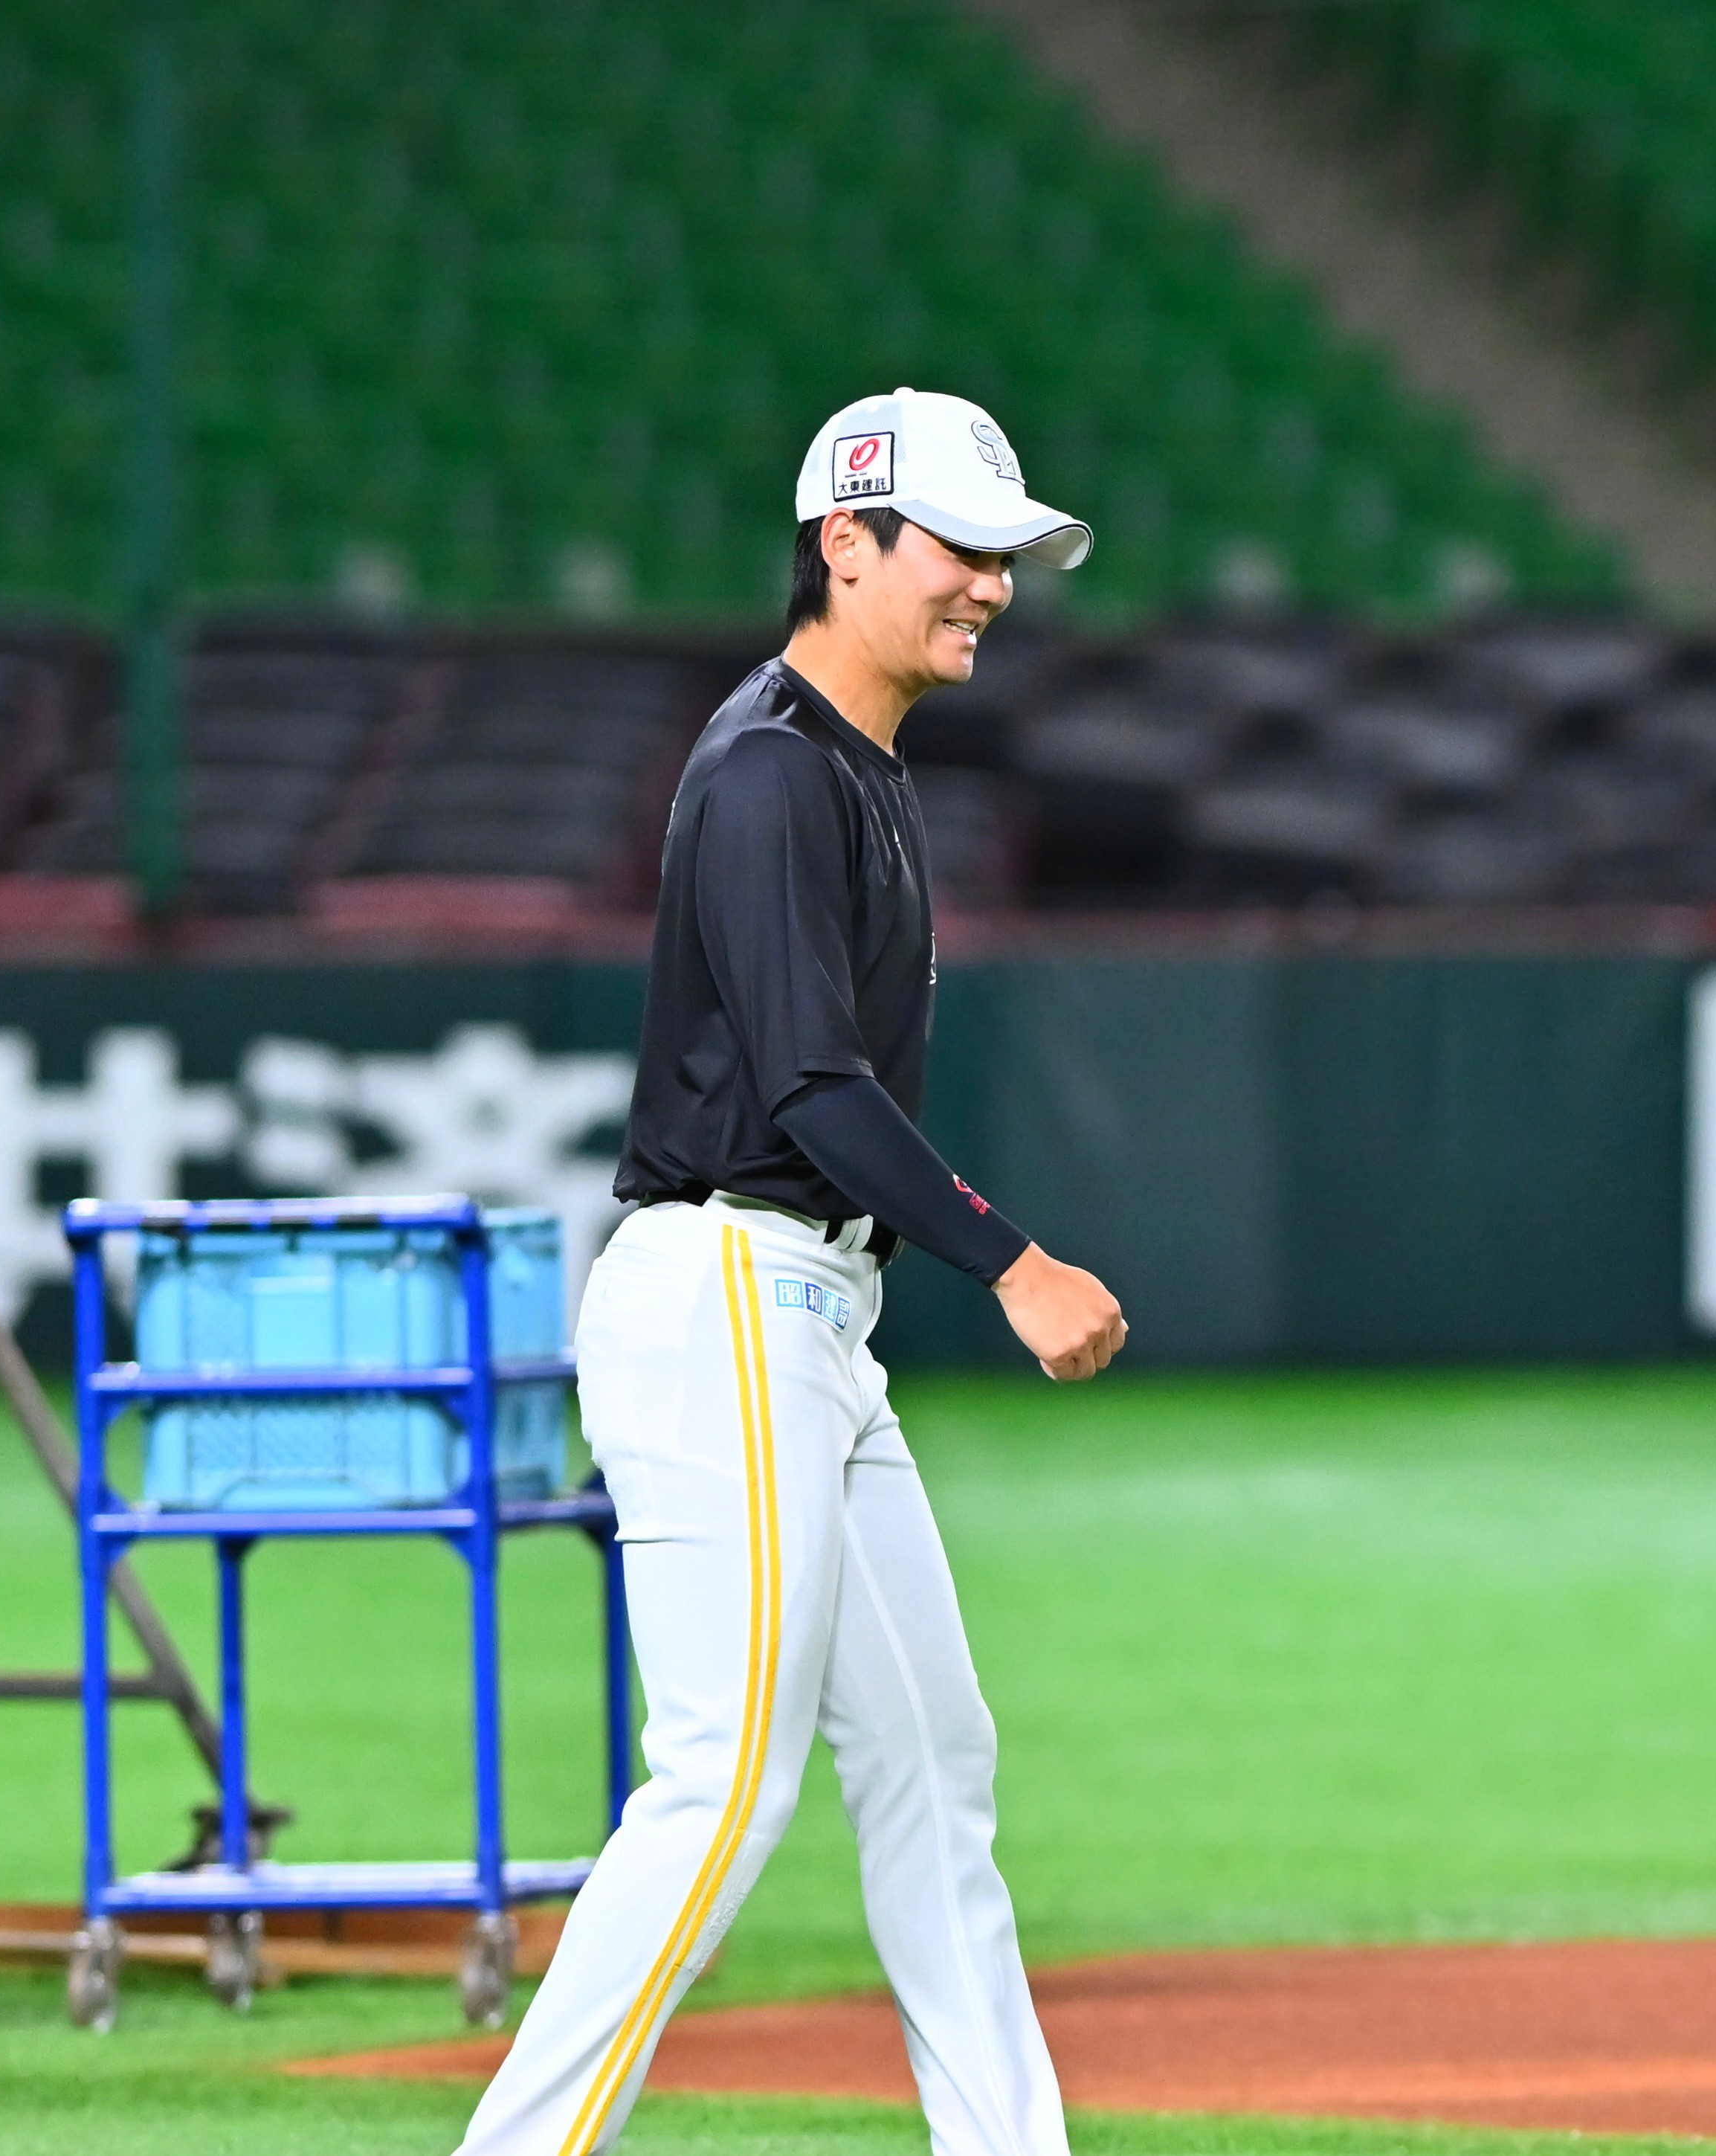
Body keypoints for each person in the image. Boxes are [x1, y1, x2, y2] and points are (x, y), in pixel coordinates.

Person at [453, 388, 1125, 2156]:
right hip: (728, 1298)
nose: (990, 583)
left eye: (1004, 554)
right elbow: (811, 1084)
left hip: (813, 1321)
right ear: (847, 540)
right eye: (960, 547)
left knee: (930, 1758)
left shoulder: (860, 767)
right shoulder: (767, 765)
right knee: (722, 1785)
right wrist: (1012, 1257)